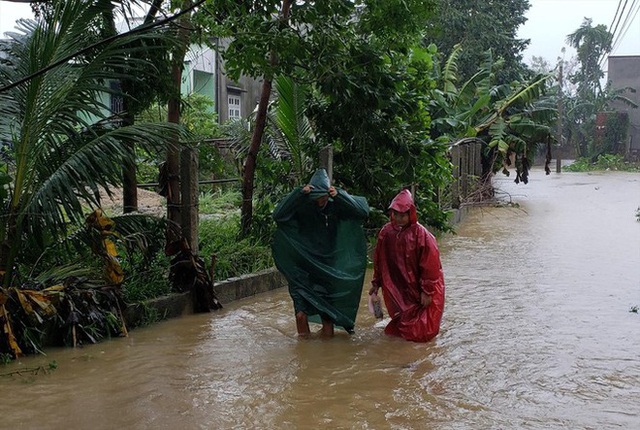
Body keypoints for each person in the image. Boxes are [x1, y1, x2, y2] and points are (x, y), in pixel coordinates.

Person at [272, 168, 369, 338]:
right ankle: (305, 355)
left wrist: (339, 195)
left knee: (327, 315)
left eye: (324, 196)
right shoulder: (301, 205)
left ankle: (326, 359)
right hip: (302, 269)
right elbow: (278, 215)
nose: (321, 200)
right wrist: (298, 194)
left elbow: (362, 213)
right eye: (317, 196)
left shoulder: (335, 206)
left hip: (327, 268)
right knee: (301, 314)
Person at [369, 189, 445, 342]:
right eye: (395, 214)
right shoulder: (387, 232)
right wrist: (376, 283)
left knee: (422, 328)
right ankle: (403, 355)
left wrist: (427, 291)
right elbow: (379, 260)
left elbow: (431, 266)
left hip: (418, 288)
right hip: (398, 287)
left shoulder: (422, 235)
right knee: (402, 325)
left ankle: (412, 359)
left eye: (402, 215)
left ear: (411, 213)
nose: (398, 218)